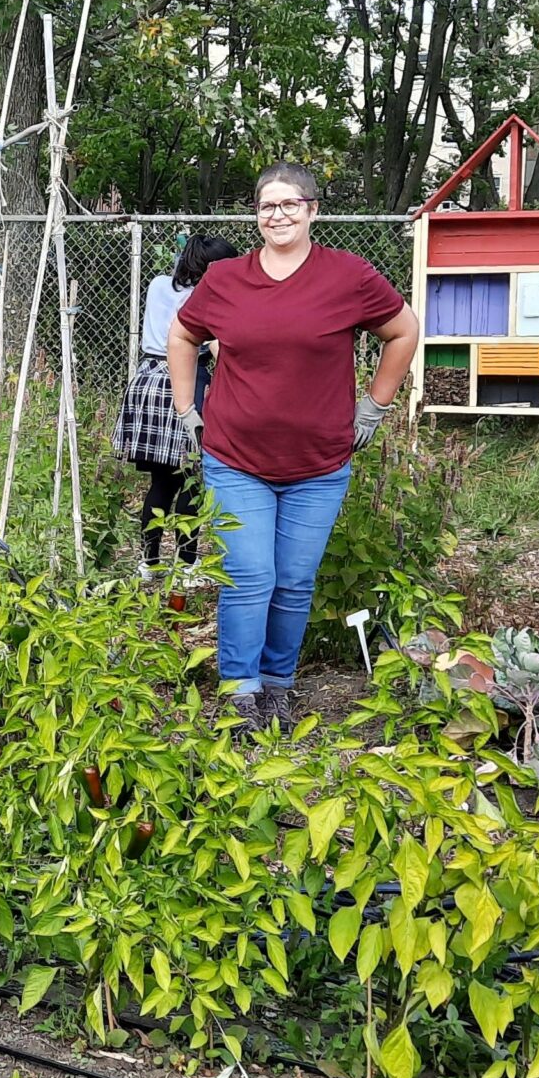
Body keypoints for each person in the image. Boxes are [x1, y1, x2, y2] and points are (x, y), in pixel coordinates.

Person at [166, 163, 422, 729]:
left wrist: (374, 406)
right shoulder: (226, 278)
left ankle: (279, 682)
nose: (277, 215)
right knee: (250, 574)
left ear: (312, 210)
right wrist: (187, 410)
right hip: (235, 458)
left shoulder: (348, 276)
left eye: (289, 204)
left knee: (293, 580)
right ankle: (239, 687)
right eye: (266, 206)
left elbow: (403, 331)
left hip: (319, 463)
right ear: (256, 215)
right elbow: (184, 335)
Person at [116, 235, 238, 580]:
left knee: (161, 481)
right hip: (186, 379)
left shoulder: (157, 285)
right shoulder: (207, 297)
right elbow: (215, 348)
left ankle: (149, 562)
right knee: (191, 478)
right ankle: (186, 564)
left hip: (147, 380)